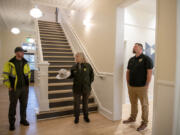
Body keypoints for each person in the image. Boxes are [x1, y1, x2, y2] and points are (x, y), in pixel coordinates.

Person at [123, 43, 153, 131]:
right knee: (133, 103)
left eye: (135, 46)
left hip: (142, 87)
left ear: (140, 48)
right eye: (133, 46)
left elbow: (149, 73)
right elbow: (128, 71)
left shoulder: (146, 59)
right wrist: (128, 82)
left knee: (144, 105)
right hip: (131, 86)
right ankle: (132, 117)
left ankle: (144, 122)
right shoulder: (131, 59)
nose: (133, 47)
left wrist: (147, 84)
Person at [2, 47, 31, 131]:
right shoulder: (10, 63)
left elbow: (28, 73)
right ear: (16, 53)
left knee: (24, 105)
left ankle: (23, 120)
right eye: (21, 52)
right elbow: (5, 75)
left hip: (25, 88)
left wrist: (27, 83)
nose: (23, 53)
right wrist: (9, 86)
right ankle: (12, 123)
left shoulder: (25, 62)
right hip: (14, 89)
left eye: (23, 52)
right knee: (13, 106)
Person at [68, 52, 94, 124]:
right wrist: (65, 75)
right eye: (75, 57)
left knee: (85, 103)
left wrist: (88, 84)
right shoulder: (74, 67)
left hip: (86, 88)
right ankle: (76, 117)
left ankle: (86, 117)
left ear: (82, 57)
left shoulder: (88, 66)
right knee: (76, 103)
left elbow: (92, 76)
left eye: (77, 57)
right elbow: (70, 76)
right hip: (76, 89)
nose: (75, 58)